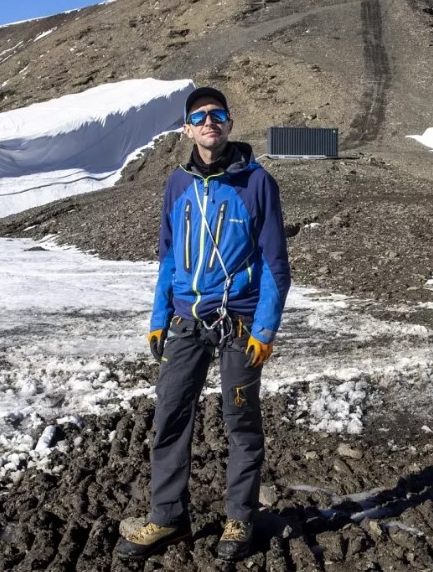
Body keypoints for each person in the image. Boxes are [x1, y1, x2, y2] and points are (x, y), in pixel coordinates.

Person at [116, 86, 291, 561]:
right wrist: (158, 319)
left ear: (230, 124)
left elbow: (276, 264)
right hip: (187, 322)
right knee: (170, 415)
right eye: (200, 116)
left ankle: (239, 517)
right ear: (188, 128)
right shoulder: (177, 184)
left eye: (218, 114)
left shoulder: (257, 183)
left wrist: (265, 329)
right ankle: (169, 518)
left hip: (239, 323)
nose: (209, 122)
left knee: (240, 422)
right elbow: (169, 258)